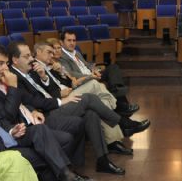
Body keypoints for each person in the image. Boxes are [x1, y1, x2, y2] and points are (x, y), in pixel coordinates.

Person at [12, 41, 147, 155]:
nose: (52, 54)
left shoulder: (40, 68)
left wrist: (51, 76)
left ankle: (110, 146)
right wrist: (59, 95)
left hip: (64, 95)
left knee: (94, 110)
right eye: (49, 52)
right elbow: (39, 97)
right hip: (55, 106)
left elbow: (55, 86)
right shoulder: (26, 72)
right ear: (38, 52)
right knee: (93, 89)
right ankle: (121, 118)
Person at [58, 31, 140, 116]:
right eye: (69, 40)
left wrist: (94, 69)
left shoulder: (76, 52)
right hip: (84, 80)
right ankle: (123, 105)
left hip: (92, 75)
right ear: (62, 42)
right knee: (109, 85)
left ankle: (117, 88)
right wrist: (90, 76)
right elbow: (71, 73)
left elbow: (87, 64)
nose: (72, 43)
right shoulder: (61, 56)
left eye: (74, 40)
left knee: (113, 67)